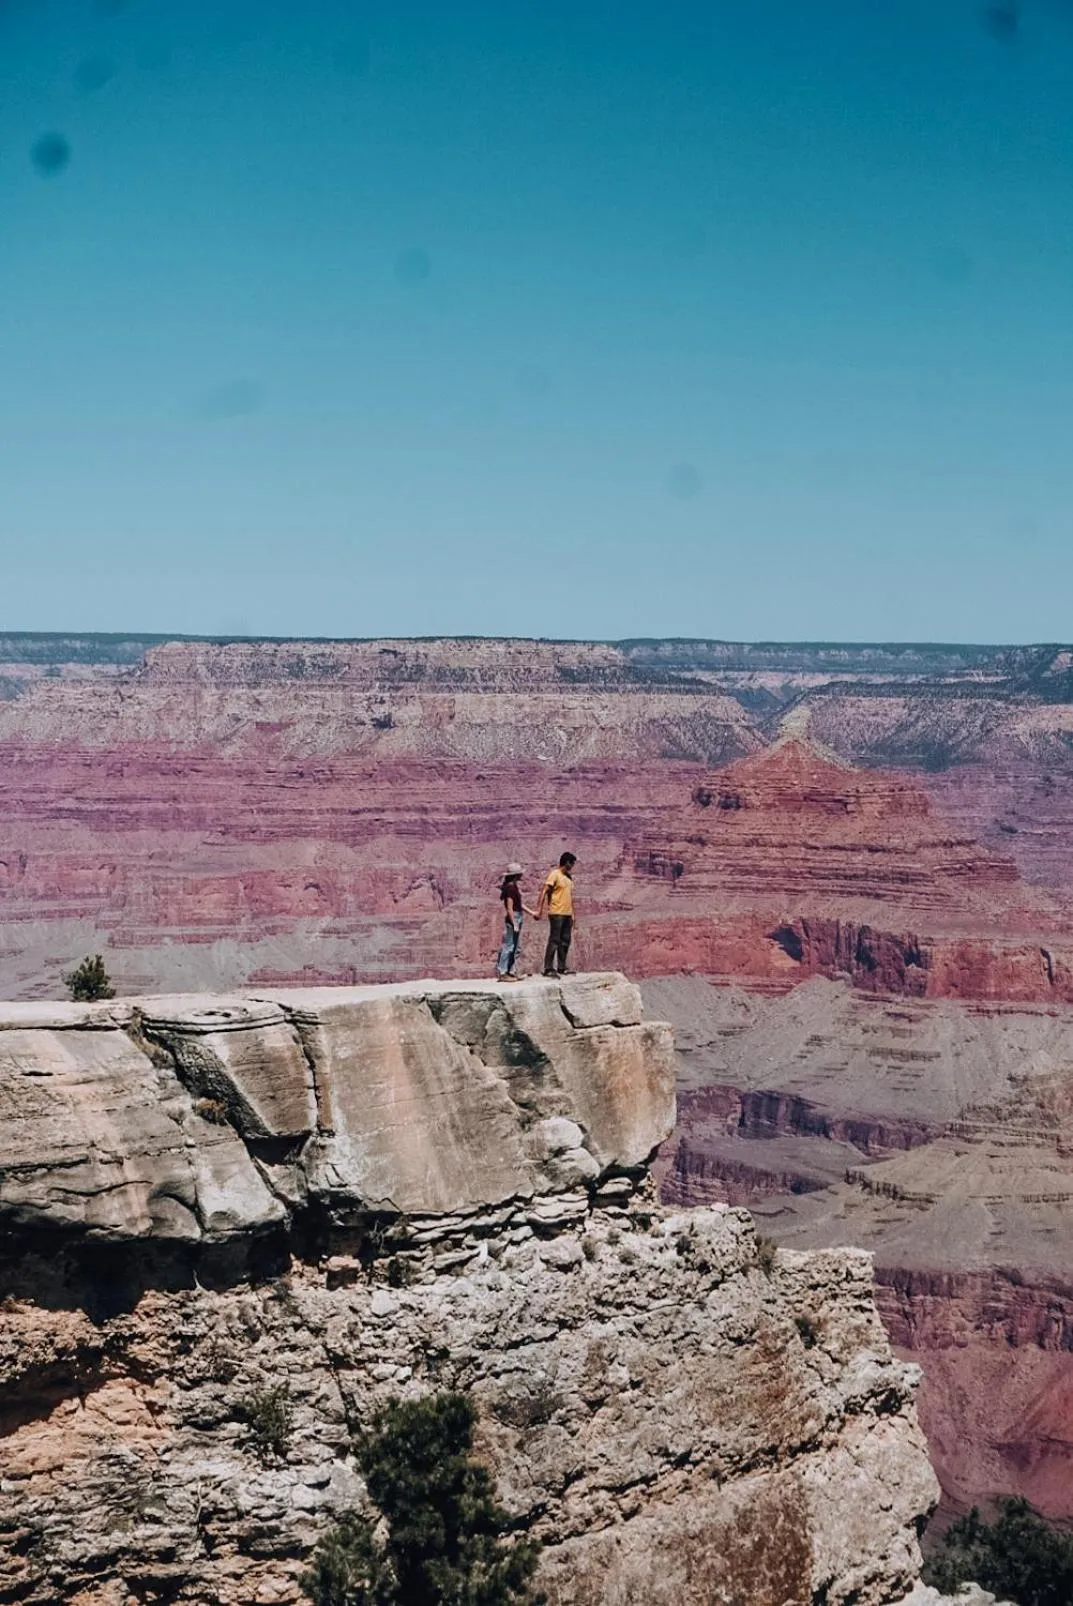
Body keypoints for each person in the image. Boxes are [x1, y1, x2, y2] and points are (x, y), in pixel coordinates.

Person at [495, 863, 538, 981]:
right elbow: (509, 908)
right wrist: (514, 924)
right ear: (516, 875)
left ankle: (512, 971)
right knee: (508, 946)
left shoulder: (513, 887)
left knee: (516, 947)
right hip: (513, 918)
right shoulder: (509, 888)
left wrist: (532, 912)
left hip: (517, 917)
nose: (521, 875)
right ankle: (503, 972)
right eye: (520, 874)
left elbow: (519, 905)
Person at [537, 851, 576, 977]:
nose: (573, 866)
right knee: (554, 940)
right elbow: (544, 891)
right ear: (567, 863)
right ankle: (548, 968)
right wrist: (540, 909)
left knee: (565, 940)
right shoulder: (555, 874)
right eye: (572, 864)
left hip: (567, 913)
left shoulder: (569, 878)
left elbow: (569, 896)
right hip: (556, 912)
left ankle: (561, 967)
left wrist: (572, 914)